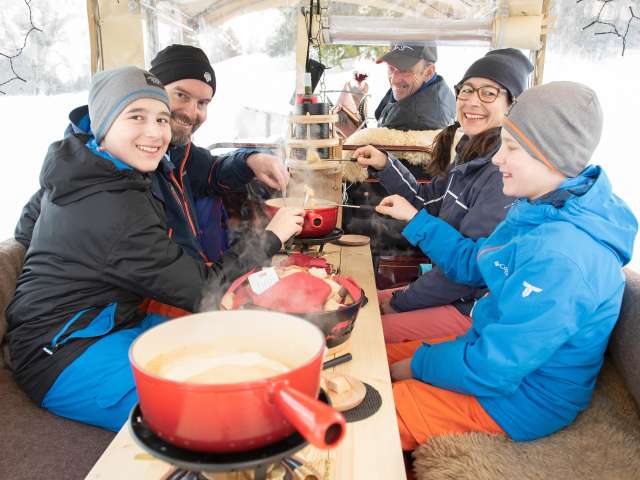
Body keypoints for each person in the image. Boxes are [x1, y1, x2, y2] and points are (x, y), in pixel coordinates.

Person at [5, 67, 304, 431]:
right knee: (216, 415)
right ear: (103, 123)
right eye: (136, 116)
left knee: (236, 347)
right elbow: (205, 290)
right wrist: (271, 237)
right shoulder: (111, 208)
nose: (154, 132)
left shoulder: (93, 167)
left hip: (118, 320)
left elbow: (28, 225)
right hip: (63, 352)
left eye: (161, 119)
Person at [375, 81, 637, 450]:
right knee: (371, 357)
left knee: (371, 415)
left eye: (511, 148)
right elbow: (475, 263)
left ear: (552, 157)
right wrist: (417, 222)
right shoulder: (539, 209)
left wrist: (416, 367)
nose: (497, 159)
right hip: (488, 352)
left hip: (520, 400)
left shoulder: (563, 256)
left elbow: (493, 369)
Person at [14, 44, 288, 265]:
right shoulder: (96, 162)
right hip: (138, 302)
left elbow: (213, 171)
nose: (192, 112)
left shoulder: (177, 151)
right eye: (181, 95)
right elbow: (31, 229)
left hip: (181, 284)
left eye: (203, 102)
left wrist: (251, 159)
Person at [354, 48, 534, 342]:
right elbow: (426, 200)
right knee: (361, 303)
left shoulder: (503, 175)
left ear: (511, 104)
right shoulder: (470, 153)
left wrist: (401, 301)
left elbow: (469, 272)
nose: (472, 101)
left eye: (489, 93)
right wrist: (385, 164)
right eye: (467, 90)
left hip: (474, 308)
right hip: (452, 288)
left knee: (363, 335)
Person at [374, 43, 456, 131]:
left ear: (428, 72)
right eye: (391, 68)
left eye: (404, 70)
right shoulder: (439, 87)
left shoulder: (408, 118)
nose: (394, 80)